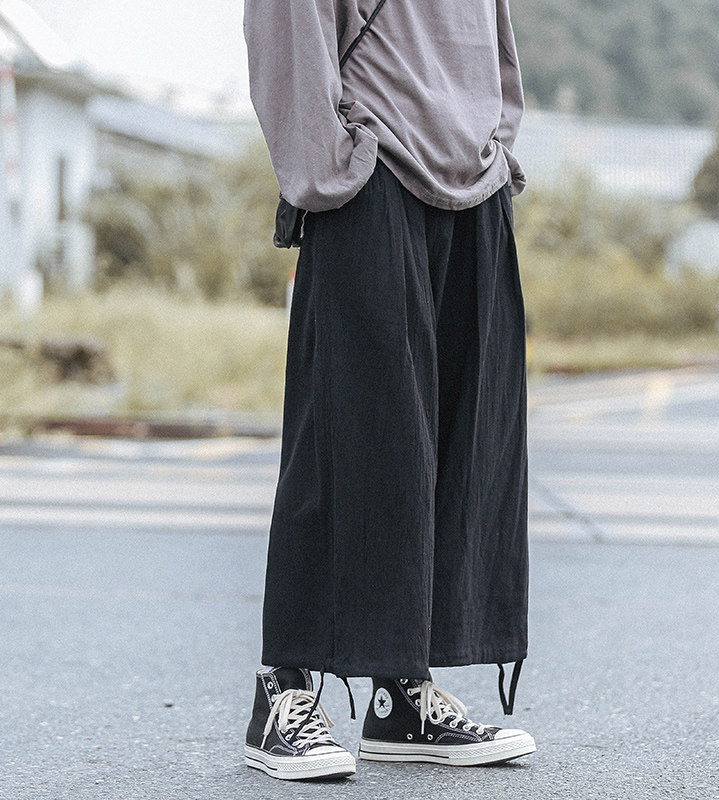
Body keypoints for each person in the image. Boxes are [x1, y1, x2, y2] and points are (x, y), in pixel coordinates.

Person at [242, 0, 535, 781]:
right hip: (371, 179)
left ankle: (401, 694)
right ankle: (283, 689)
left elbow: (494, 34)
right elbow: (288, 24)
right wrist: (331, 169)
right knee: (350, 439)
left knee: (458, 444)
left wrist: (496, 147)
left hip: (474, 186)